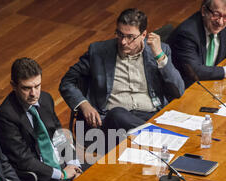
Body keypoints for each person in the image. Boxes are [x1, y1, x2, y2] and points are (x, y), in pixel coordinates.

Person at [59, 8, 185, 136]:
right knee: (118, 114)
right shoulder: (98, 51)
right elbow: (67, 81)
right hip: (110, 123)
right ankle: (160, 136)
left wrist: (160, 57)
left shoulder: (160, 50)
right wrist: (84, 105)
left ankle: (150, 135)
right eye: (120, 34)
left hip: (149, 116)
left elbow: (179, 91)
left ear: (143, 35)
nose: (123, 42)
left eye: (130, 37)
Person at [0, 58, 84, 181]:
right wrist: (61, 174)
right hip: (37, 178)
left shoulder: (46, 99)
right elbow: (24, 160)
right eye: (26, 88)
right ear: (13, 86)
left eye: (37, 86)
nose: (34, 94)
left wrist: (74, 164)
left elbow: (59, 135)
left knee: (97, 173)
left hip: (61, 164)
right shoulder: (5, 116)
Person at [168, 0, 226, 88]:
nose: (220, 22)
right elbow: (195, 71)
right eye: (216, 14)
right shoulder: (187, 33)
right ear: (204, 11)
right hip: (188, 89)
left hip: (212, 85)